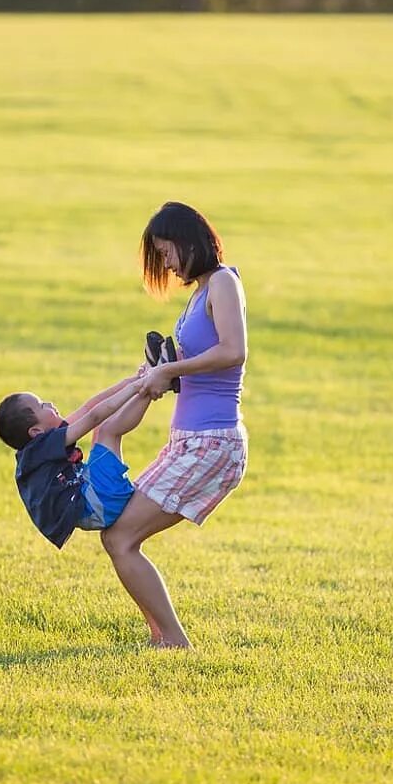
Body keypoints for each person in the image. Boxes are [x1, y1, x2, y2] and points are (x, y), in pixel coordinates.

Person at [100, 201, 248, 649]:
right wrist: (159, 370)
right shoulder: (200, 293)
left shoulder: (223, 281)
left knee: (121, 536)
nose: (166, 263)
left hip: (212, 441)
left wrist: (172, 372)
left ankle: (173, 640)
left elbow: (234, 351)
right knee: (118, 535)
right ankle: (162, 636)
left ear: (190, 241)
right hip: (189, 441)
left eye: (167, 253)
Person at [0, 374, 151, 550]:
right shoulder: (42, 447)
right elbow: (93, 417)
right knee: (108, 430)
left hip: (93, 503)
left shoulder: (39, 447)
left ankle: (149, 385)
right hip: (97, 503)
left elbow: (88, 409)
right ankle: (150, 389)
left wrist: (130, 381)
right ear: (36, 431)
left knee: (103, 427)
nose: (50, 403)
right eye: (42, 405)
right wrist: (138, 386)